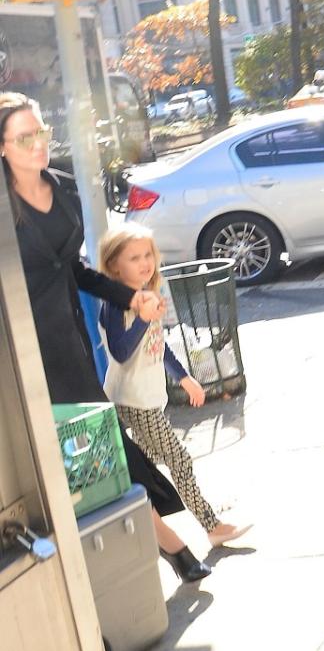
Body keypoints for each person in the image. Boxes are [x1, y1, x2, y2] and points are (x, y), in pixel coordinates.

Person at [1, 92, 210, 583]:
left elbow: (72, 269)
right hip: (17, 348)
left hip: (65, 339)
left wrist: (128, 297)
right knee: (64, 454)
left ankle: (163, 545)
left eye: (41, 133)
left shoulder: (65, 187)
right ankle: (157, 551)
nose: (37, 144)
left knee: (98, 442)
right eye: (23, 137)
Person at [97, 223, 253, 559]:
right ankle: (212, 527)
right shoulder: (116, 305)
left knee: (147, 469)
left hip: (150, 397)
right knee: (179, 460)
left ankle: (143, 532)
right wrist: (141, 317)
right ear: (113, 266)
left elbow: (159, 345)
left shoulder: (147, 296)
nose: (145, 263)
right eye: (134, 257)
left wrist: (183, 377)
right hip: (133, 401)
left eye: (148, 255)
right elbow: (121, 352)